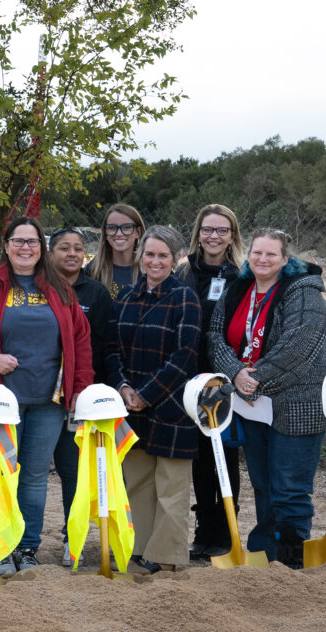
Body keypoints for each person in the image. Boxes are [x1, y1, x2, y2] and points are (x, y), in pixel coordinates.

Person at [0, 216, 93, 575]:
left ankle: (27, 547)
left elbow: (80, 339)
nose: (25, 248)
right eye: (18, 241)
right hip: (1, 401)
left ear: (41, 247)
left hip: (48, 399)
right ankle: (0, 547)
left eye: (32, 241)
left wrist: (79, 389)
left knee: (33, 476)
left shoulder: (60, 287)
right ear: (5, 245)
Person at [206, 228, 326, 569]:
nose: (262, 259)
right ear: (248, 255)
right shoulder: (237, 289)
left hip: (296, 404)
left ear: (285, 259)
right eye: (256, 253)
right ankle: (265, 558)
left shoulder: (303, 292)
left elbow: (299, 347)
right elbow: (215, 337)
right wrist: (235, 373)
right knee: (263, 486)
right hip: (253, 405)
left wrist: (253, 381)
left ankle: (291, 563)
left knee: (290, 490)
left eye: (271, 254)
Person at [105, 225, 201, 573]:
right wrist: (124, 388)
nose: (155, 261)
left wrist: (147, 394)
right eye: (150, 254)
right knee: (138, 482)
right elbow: (112, 350)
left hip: (172, 407)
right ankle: (138, 547)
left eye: (163, 255)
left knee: (171, 486)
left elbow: (185, 354)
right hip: (132, 406)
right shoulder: (126, 298)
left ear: (175, 260)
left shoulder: (184, 298)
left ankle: (165, 555)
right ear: (140, 256)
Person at [175, 204, 245, 561]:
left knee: (225, 457)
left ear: (231, 235)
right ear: (198, 232)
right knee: (199, 458)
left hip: (223, 381)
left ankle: (224, 531)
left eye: (222, 230)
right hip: (187, 380)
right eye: (207, 229)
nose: (214, 236)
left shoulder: (240, 277)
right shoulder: (183, 273)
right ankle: (204, 530)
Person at [46, 226, 112, 566]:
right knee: (29, 471)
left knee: (74, 474)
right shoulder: (35, 287)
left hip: (79, 400)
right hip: (41, 397)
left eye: (78, 249)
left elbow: (102, 346)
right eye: (64, 248)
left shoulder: (96, 293)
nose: (72, 254)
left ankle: (73, 543)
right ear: (50, 253)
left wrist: (88, 391)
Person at [86, 203, 146, 298]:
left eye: (126, 227)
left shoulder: (148, 269)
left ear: (138, 232)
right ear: (105, 233)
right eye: (112, 228)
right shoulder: (94, 269)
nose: (118, 233)